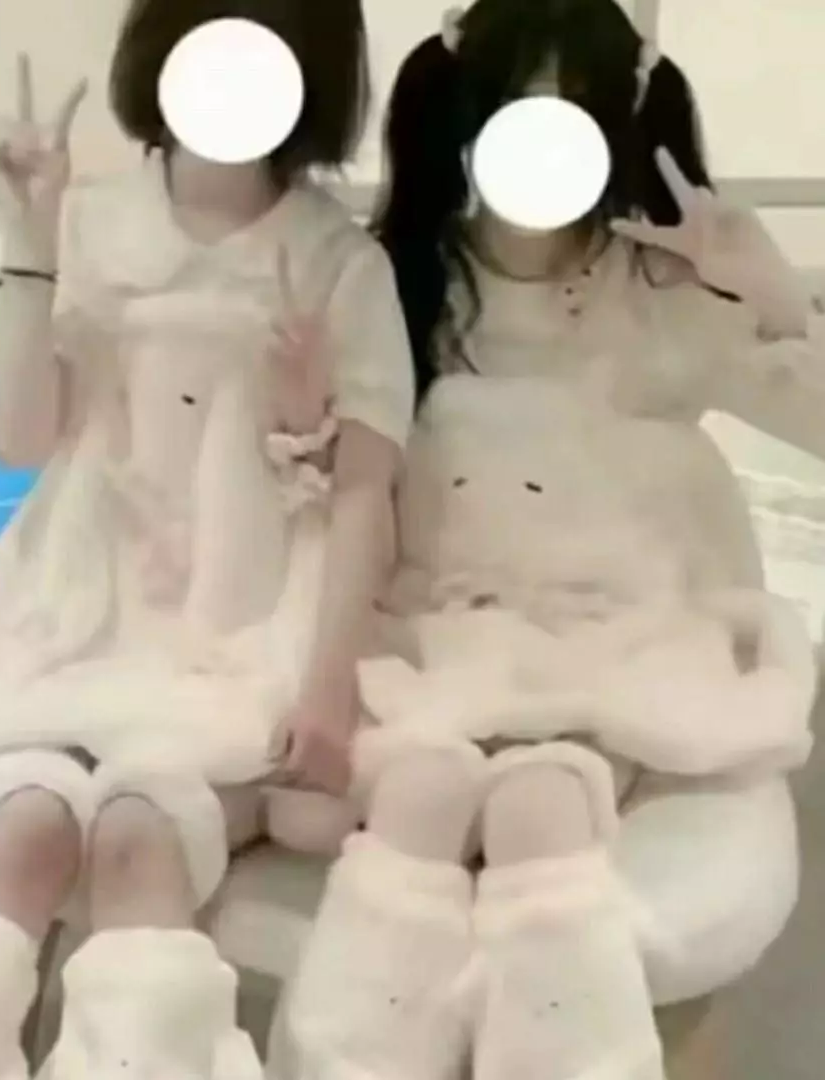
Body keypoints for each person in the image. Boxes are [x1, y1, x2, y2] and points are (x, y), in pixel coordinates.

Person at [0, 3, 415, 1078]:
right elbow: (20, 438)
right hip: (83, 612)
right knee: (26, 832)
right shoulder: (91, 223)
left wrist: (327, 692)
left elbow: (365, 492)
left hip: (243, 631)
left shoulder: (337, 260)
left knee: (140, 838)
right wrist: (31, 238)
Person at [269, 2, 822, 1079]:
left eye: (575, 104)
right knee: (423, 809)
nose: (545, 131)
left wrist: (768, 292)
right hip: (435, 648)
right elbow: (333, 488)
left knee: (544, 808)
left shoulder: (660, 290)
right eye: (520, 101)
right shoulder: (400, 281)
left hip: (619, 650)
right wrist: (299, 423)